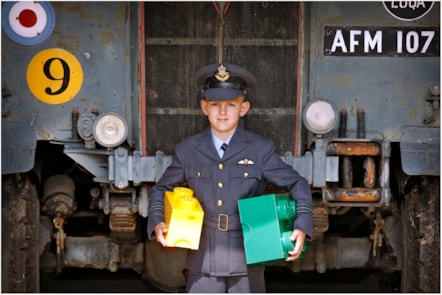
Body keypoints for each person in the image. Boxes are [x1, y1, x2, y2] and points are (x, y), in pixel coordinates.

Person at [147, 63, 313, 293]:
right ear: (204, 107)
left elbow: (297, 183)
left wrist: (302, 224)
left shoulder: (259, 149)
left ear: (243, 108)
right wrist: (158, 221)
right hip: (202, 261)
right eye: (215, 104)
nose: (222, 112)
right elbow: (161, 188)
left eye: (231, 105)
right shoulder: (188, 150)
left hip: (248, 259)